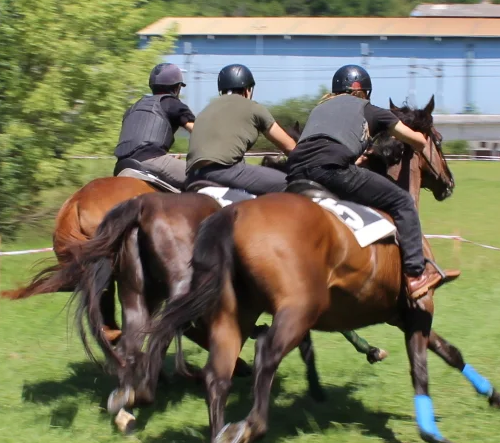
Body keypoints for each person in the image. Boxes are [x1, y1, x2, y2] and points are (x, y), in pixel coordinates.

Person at [284, 64, 454, 303]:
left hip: (294, 174)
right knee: (402, 201)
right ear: (363, 92)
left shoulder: (319, 109)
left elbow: (324, 146)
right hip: (331, 171)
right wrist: (421, 133)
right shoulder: (371, 110)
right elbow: (417, 142)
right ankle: (416, 275)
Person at [185, 64, 296, 195]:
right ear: (248, 90)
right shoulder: (254, 108)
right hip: (224, 172)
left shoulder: (205, 110)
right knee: (291, 184)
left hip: (192, 177)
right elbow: (290, 147)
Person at [112, 63, 195, 189]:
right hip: (152, 161)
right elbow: (198, 131)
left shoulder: (133, 107)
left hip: (122, 166)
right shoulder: (172, 103)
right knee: (206, 176)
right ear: (177, 88)